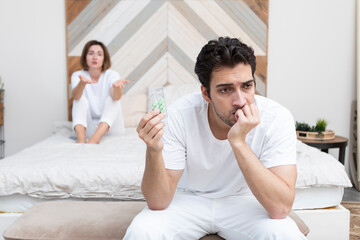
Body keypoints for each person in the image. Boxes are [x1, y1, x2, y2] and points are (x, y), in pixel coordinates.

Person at [124, 37, 306, 239]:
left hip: (245, 200)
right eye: (225, 90)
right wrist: (154, 150)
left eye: (247, 86)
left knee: (283, 233)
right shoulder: (179, 115)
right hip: (188, 199)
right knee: (143, 231)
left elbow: (280, 208)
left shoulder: (276, 118)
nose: (239, 100)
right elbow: (158, 202)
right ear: (206, 93)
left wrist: (238, 142)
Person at [71, 40, 129, 144]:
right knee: (80, 100)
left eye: (99, 54)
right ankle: (81, 140)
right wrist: (82, 83)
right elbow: (75, 96)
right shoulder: (78, 75)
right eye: (90, 53)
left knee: (112, 100)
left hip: (111, 128)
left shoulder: (112, 75)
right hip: (88, 129)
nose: (95, 57)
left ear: (104, 58)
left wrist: (116, 87)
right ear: (85, 57)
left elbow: (116, 97)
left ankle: (94, 140)